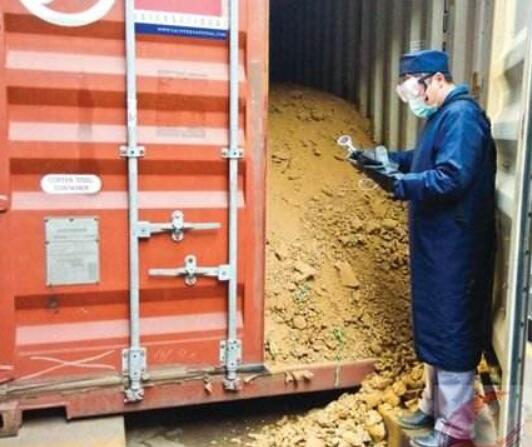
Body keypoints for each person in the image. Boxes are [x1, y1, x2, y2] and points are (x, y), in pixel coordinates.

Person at [350, 50, 497, 447]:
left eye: (414, 89)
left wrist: (399, 183)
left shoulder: (462, 117)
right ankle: (432, 408)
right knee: (434, 328)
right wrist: (379, 161)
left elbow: (451, 176)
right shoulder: (440, 117)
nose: (413, 99)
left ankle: (454, 431)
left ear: (436, 80)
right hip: (437, 247)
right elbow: (419, 160)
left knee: (452, 333)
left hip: (457, 249)